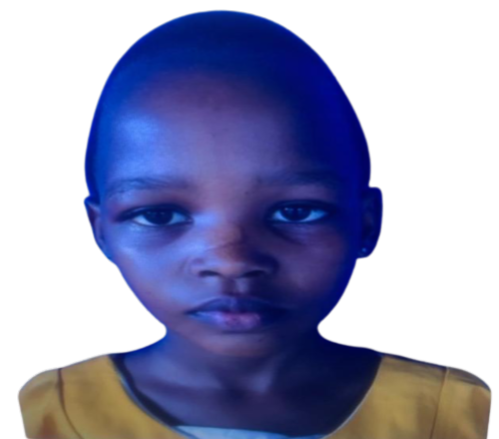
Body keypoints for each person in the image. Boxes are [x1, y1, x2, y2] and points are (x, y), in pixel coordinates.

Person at [18, 10, 491, 439]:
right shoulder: (43, 415)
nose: (232, 261)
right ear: (100, 231)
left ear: (366, 223)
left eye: (295, 212)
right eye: (160, 215)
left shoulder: (459, 415)